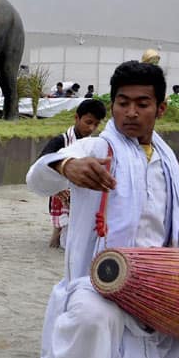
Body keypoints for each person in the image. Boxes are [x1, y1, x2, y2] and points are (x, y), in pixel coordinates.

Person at [26, 60, 179, 358]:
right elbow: (37, 177)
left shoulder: (166, 156)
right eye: (122, 103)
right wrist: (65, 166)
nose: (130, 112)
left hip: (161, 281)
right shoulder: (97, 149)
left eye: (142, 104)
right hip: (100, 280)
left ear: (160, 108)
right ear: (113, 104)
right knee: (91, 318)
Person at [36, 98, 107, 249]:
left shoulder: (93, 143)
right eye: (88, 122)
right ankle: (56, 234)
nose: (91, 128)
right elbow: (43, 161)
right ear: (77, 118)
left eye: (96, 124)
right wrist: (58, 187)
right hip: (61, 191)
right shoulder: (61, 140)